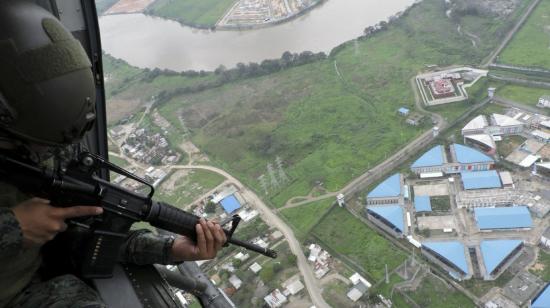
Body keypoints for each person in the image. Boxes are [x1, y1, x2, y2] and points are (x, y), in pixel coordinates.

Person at [0, 1, 227, 307]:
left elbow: (90, 237)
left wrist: (172, 249)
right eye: (38, 146)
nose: (49, 155)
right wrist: (14, 228)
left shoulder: (53, 138)